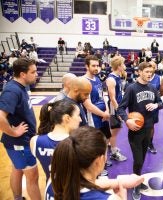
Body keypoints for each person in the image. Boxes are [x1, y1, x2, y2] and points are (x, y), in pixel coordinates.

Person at [51, 126, 144, 200]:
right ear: (99, 161)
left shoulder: (55, 182)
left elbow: (84, 184)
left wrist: (118, 182)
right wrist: (122, 197)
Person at [117, 62, 163, 200]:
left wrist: (156, 105)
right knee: (138, 160)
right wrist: (127, 120)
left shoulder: (153, 87)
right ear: (140, 72)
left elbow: (161, 103)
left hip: (148, 129)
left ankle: (137, 180)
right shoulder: (131, 88)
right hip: (136, 130)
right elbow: (120, 108)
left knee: (142, 158)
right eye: (147, 71)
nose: (150, 74)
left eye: (151, 72)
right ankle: (136, 185)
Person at [0, 58, 41, 200]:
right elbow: (0, 117)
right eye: (33, 72)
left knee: (17, 170)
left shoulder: (21, 87)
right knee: (33, 177)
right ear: (23, 74)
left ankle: (17, 198)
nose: (37, 74)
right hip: (19, 143)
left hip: (20, 142)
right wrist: (13, 132)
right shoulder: (12, 90)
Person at [30, 100, 81, 198]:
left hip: (50, 193)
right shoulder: (77, 143)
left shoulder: (35, 141)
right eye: (78, 115)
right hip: (73, 194)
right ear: (67, 118)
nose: (80, 119)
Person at [82, 55, 111, 172]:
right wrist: (103, 114)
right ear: (86, 66)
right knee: (96, 143)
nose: (96, 68)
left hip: (104, 115)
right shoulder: (84, 81)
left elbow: (102, 96)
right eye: (93, 66)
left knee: (107, 138)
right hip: (94, 118)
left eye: (97, 65)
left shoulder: (97, 78)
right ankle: (97, 168)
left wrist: (107, 111)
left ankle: (102, 161)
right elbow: (87, 104)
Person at [106, 56, 127, 161]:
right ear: (119, 66)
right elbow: (112, 98)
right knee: (115, 130)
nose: (125, 66)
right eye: (123, 64)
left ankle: (111, 144)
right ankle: (114, 153)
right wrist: (119, 111)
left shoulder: (117, 76)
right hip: (115, 107)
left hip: (118, 105)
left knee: (114, 130)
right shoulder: (111, 79)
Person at [148, 61, 163, 154]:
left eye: (153, 66)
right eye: (149, 66)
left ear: (155, 68)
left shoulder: (159, 79)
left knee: (151, 125)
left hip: (153, 106)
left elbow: (162, 92)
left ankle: (150, 143)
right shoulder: (143, 77)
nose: (151, 68)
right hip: (142, 106)